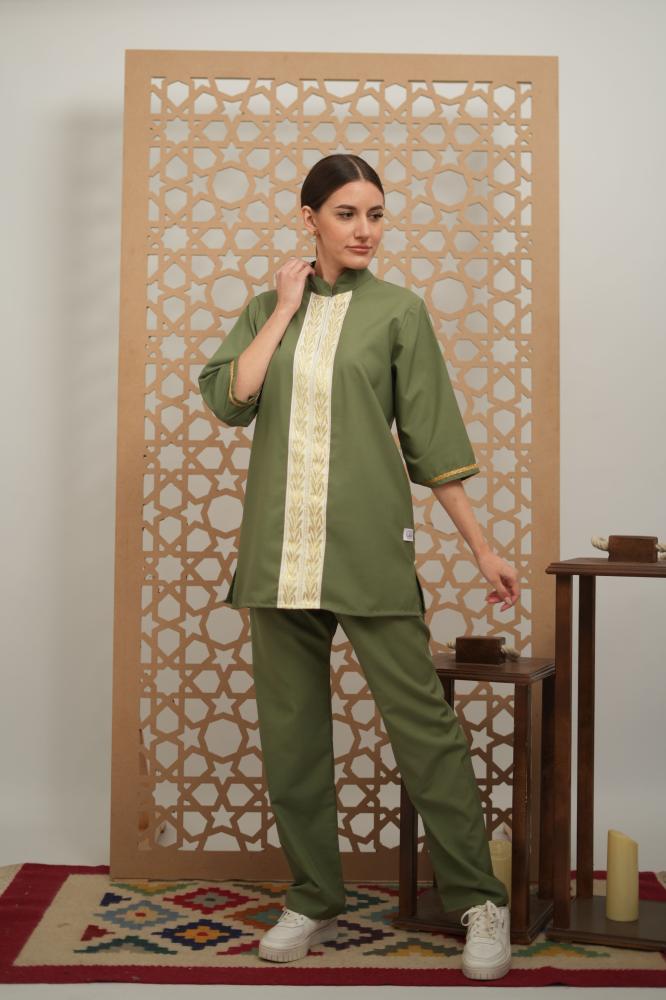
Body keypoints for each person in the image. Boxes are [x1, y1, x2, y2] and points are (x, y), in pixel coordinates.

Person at [198, 153, 520, 981]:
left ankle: (479, 901)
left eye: (375, 213)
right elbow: (230, 399)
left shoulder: (399, 312)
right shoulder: (267, 308)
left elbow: (432, 441)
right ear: (308, 218)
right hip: (279, 555)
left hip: (369, 548)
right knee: (293, 738)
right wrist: (284, 307)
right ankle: (313, 896)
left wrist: (482, 547)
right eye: (346, 213)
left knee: (424, 730)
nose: (365, 229)